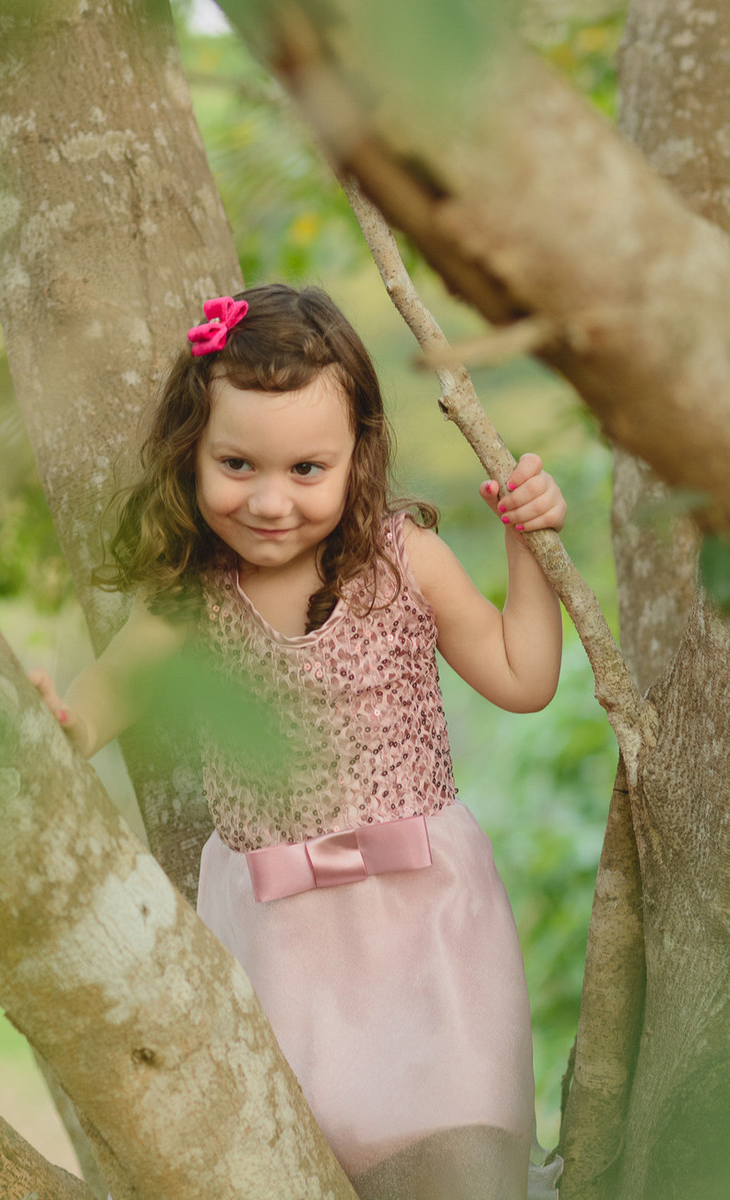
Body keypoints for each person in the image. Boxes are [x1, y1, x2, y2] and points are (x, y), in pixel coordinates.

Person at [31, 284, 565, 1200]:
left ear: (358, 454)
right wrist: (47, 725)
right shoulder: (190, 602)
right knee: (302, 1153)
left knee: (458, 1147)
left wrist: (529, 545)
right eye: (236, 464)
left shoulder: (404, 559)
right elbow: (97, 705)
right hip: (280, 942)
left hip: (430, 927)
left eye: (307, 469)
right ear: (190, 453)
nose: (270, 501)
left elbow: (523, 678)